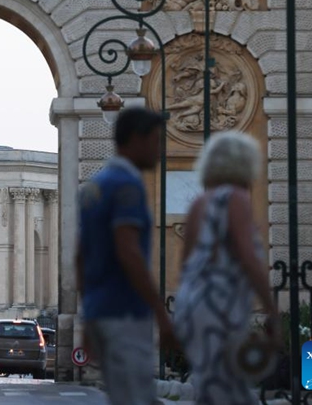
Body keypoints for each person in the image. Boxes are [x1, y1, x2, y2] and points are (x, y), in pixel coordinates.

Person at [76, 107, 177, 405]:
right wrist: (161, 312)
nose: (160, 150)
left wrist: (87, 317)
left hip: (101, 312)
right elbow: (128, 251)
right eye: (156, 141)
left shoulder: (93, 187)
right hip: (126, 313)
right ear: (136, 139)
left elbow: (80, 257)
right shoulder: (127, 186)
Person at [173, 131, 280, 404]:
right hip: (219, 306)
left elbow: (185, 263)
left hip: (192, 305)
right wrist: (271, 306)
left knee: (212, 386)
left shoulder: (199, 203)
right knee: (229, 389)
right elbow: (247, 256)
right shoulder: (236, 198)